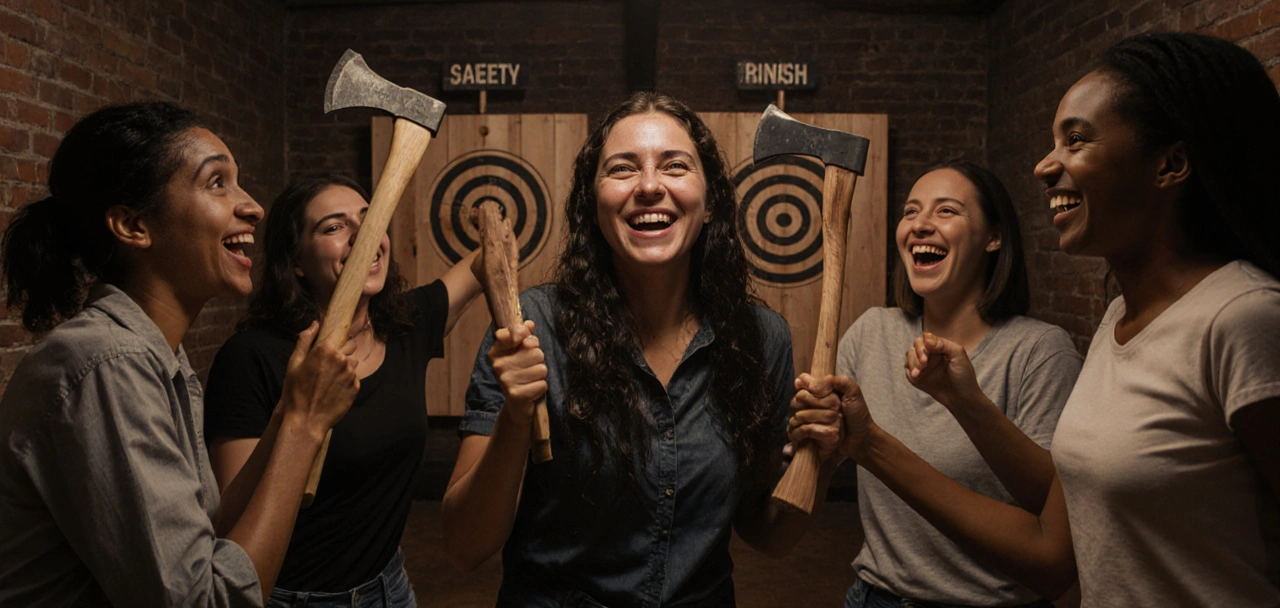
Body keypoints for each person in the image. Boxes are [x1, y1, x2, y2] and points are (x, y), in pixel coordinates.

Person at [816, 32, 1280, 605]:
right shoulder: (1119, 322)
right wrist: (957, 406)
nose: (1043, 166)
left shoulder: (1244, 317)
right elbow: (1054, 547)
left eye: (1076, 140)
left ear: (1171, 163)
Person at [440, 92, 832, 608]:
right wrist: (516, 416)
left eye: (675, 166)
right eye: (622, 169)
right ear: (592, 203)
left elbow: (770, 534)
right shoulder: (530, 329)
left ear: (711, 199)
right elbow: (466, 545)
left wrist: (821, 457)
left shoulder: (761, 340)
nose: (649, 186)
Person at [0, 102, 360, 606]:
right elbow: (200, 599)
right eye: (217, 183)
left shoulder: (159, 359)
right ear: (133, 225)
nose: (253, 206)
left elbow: (209, 533)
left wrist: (285, 414)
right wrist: (305, 423)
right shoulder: (107, 364)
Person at [792, 161, 1081, 608]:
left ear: (993, 237)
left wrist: (964, 404)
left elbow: (1058, 515)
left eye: (946, 211)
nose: (920, 225)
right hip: (874, 598)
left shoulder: (1039, 352)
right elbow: (816, 476)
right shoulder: (871, 333)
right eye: (911, 212)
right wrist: (811, 441)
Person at [203, 175, 484, 607]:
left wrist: (495, 223)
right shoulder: (252, 358)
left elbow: (478, 265)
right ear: (296, 261)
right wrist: (295, 417)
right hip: (295, 599)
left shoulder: (403, 325)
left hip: (391, 588)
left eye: (369, 220)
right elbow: (232, 525)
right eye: (334, 227)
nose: (365, 236)